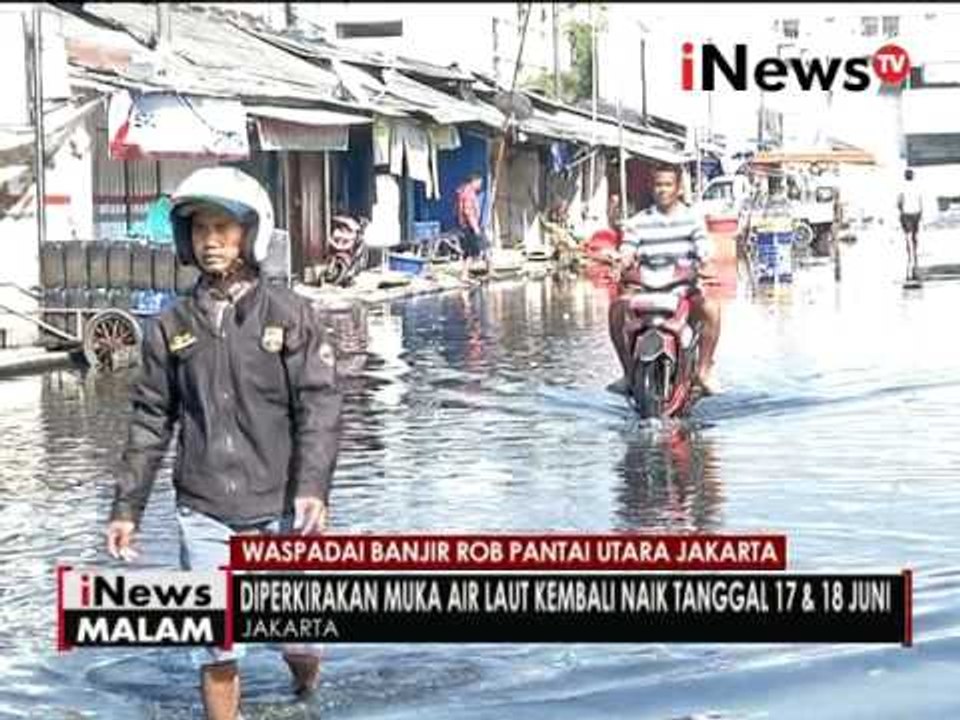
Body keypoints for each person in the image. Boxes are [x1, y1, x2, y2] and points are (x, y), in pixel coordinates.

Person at [105, 167, 343, 720]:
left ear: (250, 234)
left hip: (281, 507)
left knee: (296, 640)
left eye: (224, 227)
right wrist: (126, 508)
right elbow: (150, 419)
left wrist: (313, 488)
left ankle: (307, 695)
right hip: (203, 509)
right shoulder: (170, 326)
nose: (210, 240)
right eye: (199, 229)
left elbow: (321, 406)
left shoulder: (289, 315)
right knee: (216, 647)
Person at [609, 164, 723, 395]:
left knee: (711, 310)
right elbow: (628, 249)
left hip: (683, 288)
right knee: (617, 309)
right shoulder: (638, 221)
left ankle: (703, 371)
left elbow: (704, 248)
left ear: (678, 188)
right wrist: (620, 263)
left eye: (668, 185)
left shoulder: (692, 219)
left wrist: (705, 262)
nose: (662, 190)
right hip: (646, 288)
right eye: (658, 185)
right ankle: (628, 373)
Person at [455, 172, 488, 281]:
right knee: (471, 251)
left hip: (467, 225)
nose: (480, 186)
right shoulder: (468, 193)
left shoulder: (464, 191)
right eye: (479, 183)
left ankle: (468, 274)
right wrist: (475, 228)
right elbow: (468, 212)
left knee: (472, 250)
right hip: (470, 226)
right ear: (474, 181)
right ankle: (464, 275)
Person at [897, 168, 923, 282]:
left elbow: (899, 201)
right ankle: (915, 251)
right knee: (915, 235)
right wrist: (921, 212)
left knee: (907, 234)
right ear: (913, 176)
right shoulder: (918, 186)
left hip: (906, 213)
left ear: (904, 176)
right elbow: (920, 200)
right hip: (916, 212)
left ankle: (910, 253)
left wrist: (900, 211)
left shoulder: (901, 186)